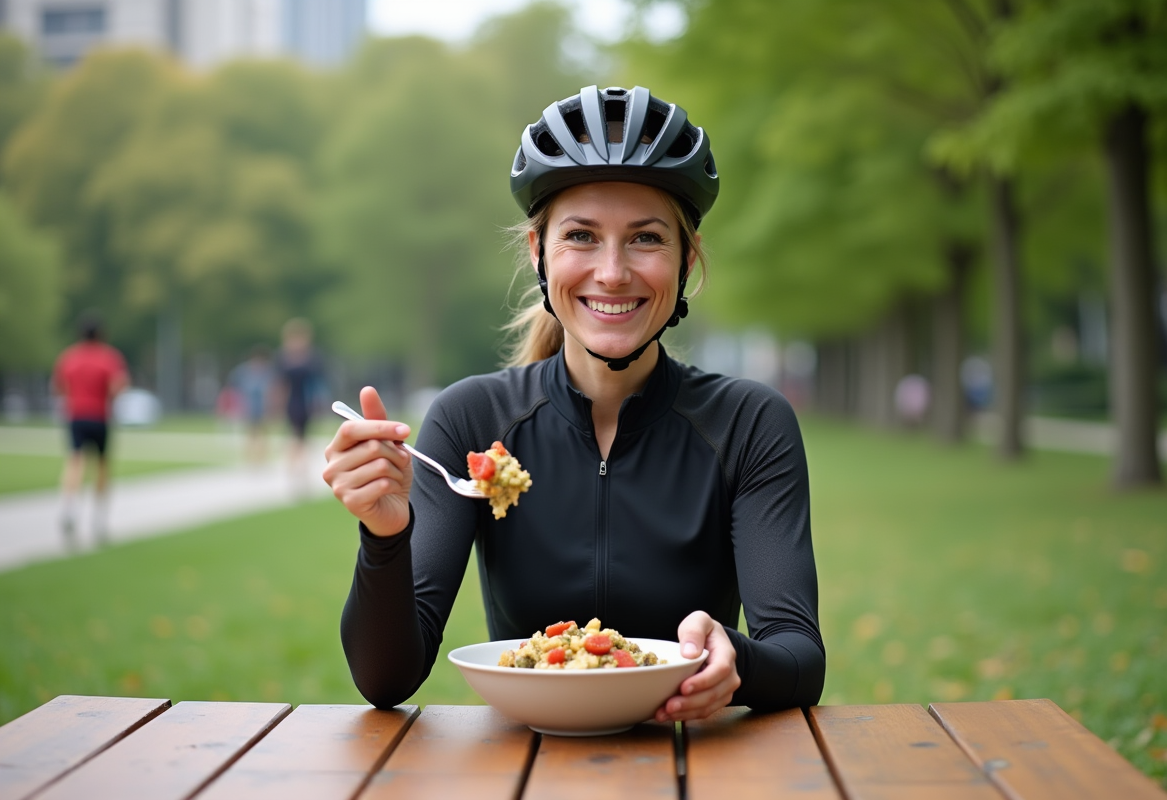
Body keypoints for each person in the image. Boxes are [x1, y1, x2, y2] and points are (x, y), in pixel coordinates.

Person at [324, 86, 825, 719]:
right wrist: (385, 535)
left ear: (686, 258)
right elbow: (386, 680)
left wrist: (733, 659)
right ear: (539, 253)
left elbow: (800, 659)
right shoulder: (471, 422)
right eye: (582, 236)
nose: (612, 272)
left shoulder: (750, 423)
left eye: (645, 238)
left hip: (693, 764)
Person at [52, 312, 130, 547]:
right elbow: (119, 386)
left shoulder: (69, 357)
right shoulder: (108, 357)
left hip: (76, 415)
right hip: (99, 416)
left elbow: (58, 387)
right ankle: (99, 517)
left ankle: (69, 508)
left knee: (75, 461)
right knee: (102, 465)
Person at [276, 318, 323, 490]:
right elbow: (280, 384)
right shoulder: (283, 358)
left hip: (306, 401)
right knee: (294, 436)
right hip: (292, 401)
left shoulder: (311, 358)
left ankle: (301, 470)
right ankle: (293, 470)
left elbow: (316, 383)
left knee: (303, 437)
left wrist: (317, 403)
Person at [227, 344, 274, 463]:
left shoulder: (267, 372)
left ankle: (260, 458)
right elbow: (234, 388)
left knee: (262, 434)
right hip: (248, 407)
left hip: (263, 407)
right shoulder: (243, 371)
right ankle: (250, 459)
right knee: (250, 433)